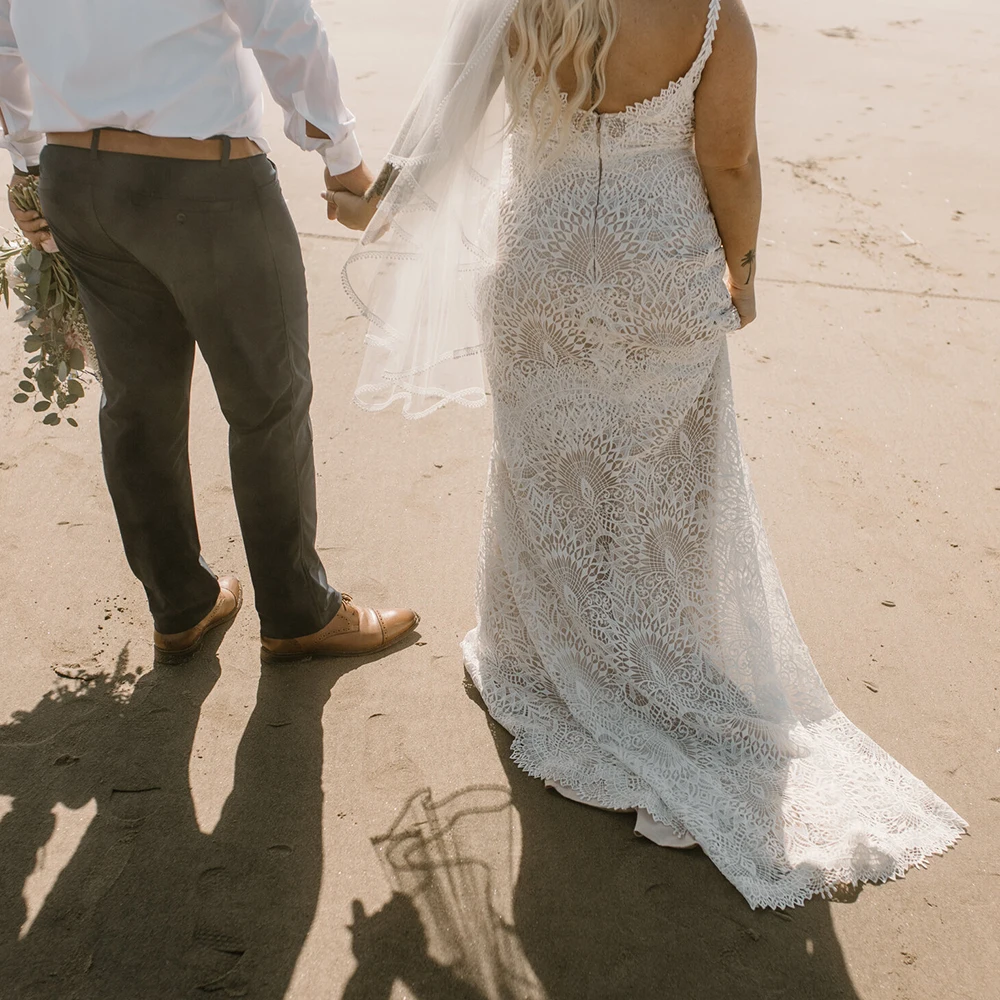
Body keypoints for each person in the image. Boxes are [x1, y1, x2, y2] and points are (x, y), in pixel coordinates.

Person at [338, 0, 966, 909]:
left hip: (538, 261)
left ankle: (547, 656)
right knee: (667, 478)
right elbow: (730, 158)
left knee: (546, 473)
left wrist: (369, 194)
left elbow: (442, 129)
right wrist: (741, 267)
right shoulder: (710, 11)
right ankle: (655, 654)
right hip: (658, 265)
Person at [0, 0, 418, 660]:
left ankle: (181, 606)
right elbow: (284, 26)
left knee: (136, 403)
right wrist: (342, 160)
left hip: (75, 178)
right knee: (267, 402)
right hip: (204, 183)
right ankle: (297, 611)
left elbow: (7, 47)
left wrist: (27, 166)